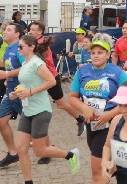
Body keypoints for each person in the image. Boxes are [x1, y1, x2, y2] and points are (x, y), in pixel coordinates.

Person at [10, 34, 81, 182]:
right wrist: (17, 93)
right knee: (21, 149)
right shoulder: (26, 63)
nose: (18, 49)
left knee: (39, 151)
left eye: (21, 47)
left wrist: (30, 92)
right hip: (28, 110)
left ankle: (70, 155)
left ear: (31, 47)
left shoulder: (37, 63)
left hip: (40, 111)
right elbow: (29, 83)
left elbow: (51, 82)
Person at [69, 33, 127, 184]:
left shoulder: (118, 73)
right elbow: (72, 97)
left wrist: (110, 114)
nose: (95, 56)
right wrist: (84, 108)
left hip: (112, 125)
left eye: (100, 52)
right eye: (93, 52)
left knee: (97, 171)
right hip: (92, 124)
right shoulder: (82, 71)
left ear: (108, 54)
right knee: (107, 164)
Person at [29, 21, 86, 164]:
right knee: (39, 112)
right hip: (40, 80)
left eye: (33, 29)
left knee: (60, 104)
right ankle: (46, 148)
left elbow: (38, 60)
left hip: (50, 78)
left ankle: (80, 119)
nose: (30, 31)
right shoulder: (34, 43)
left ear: (40, 32)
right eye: (29, 29)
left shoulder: (39, 44)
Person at [0, 22, 23, 168]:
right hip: (10, 92)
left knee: (33, 125)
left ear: (17, 34)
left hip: (23, 93)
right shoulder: (7, 49)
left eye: (9, 30)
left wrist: (7, 74)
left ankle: (46, 149)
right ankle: (12, 153)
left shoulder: (20, 49)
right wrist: (7, 80)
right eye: (5, 30)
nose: (4, 32)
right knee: (0, 121)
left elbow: (27, 68)